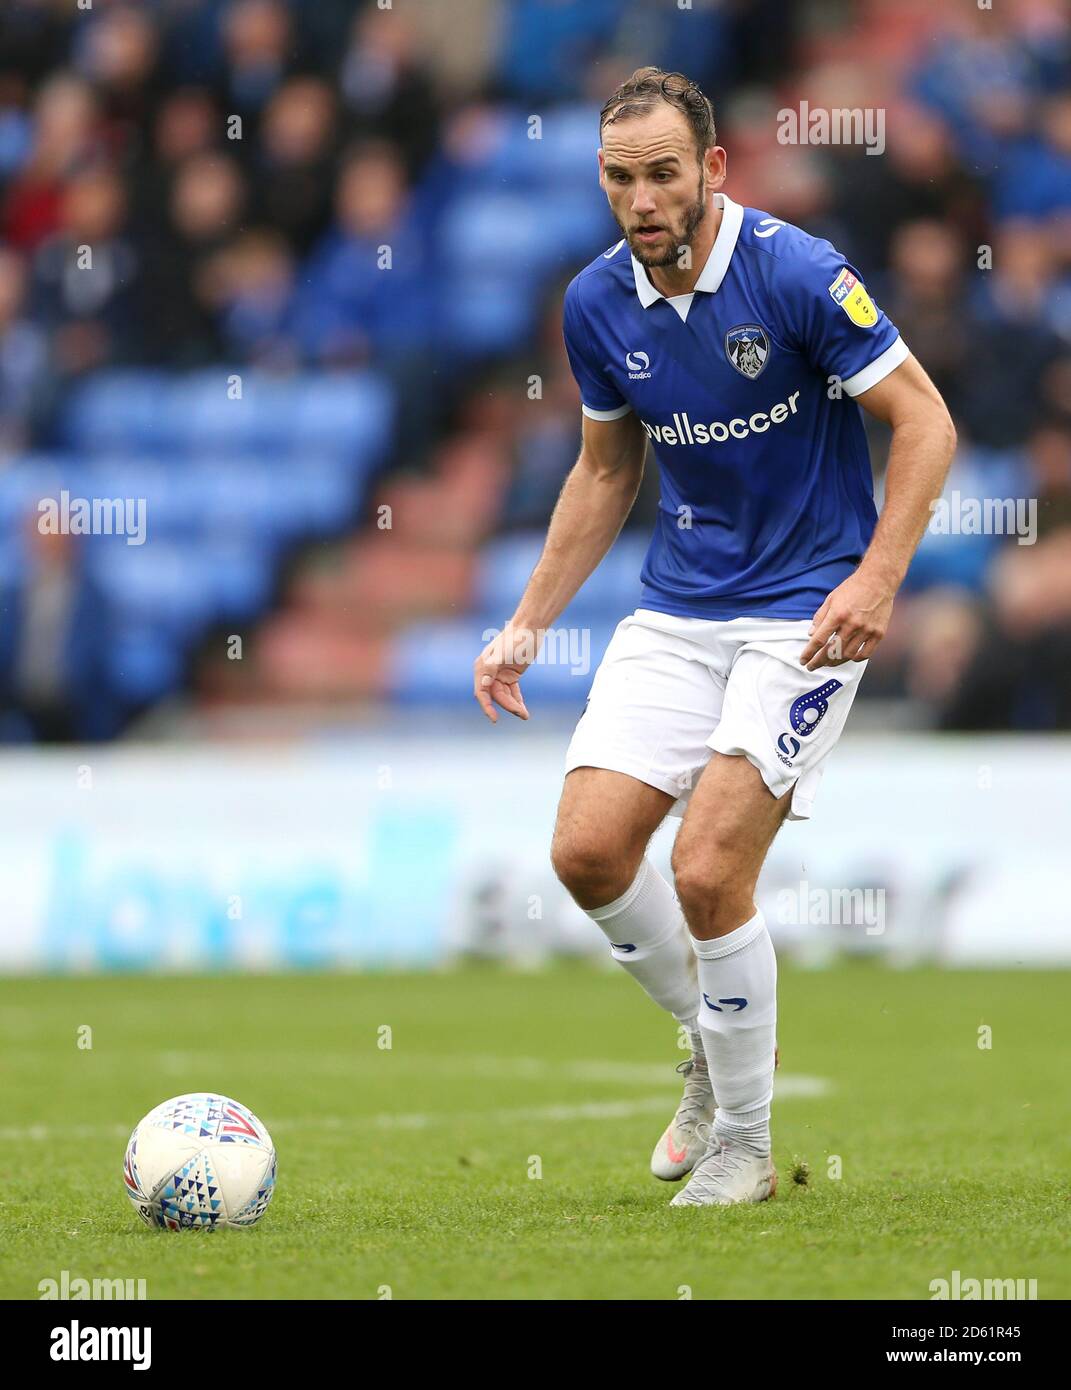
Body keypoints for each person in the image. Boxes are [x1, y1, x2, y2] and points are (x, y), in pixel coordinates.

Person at [473, 68, 956, 1207]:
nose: (640, 199)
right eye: (618, 177)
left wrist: (879, 580)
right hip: (681, 606)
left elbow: (926, 421)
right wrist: (526, 623)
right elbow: (605, 466)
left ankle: (742, 1137)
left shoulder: (795, 272)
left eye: (661, 174)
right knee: (586, 852)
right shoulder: (595, 302)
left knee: (705, 869)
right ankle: (712, 1034)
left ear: (712, 170)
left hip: (805, 614)